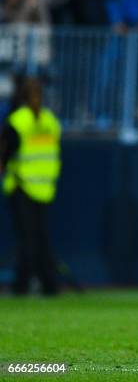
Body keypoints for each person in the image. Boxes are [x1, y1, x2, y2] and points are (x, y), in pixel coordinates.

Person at [0, 78, 62, 295]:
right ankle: (48, 284)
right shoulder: (50, 121)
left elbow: (5, 152)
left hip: (23, 184)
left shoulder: (18, 121)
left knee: (28, 239)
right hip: (44, 185)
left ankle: (24, 285)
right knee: (40, 237)